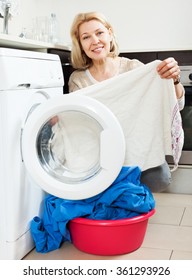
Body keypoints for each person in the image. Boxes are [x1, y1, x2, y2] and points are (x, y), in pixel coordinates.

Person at [68, 11, 185, 192]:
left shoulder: (133, 68)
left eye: (99, 33)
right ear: (81, 45)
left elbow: (180, 104)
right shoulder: (78, 79)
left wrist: (175, 79)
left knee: (159, 178)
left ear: (110, 34)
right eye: (86, 37)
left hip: (136, 148)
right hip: (100, 152)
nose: (95, 41)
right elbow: (78, 123)